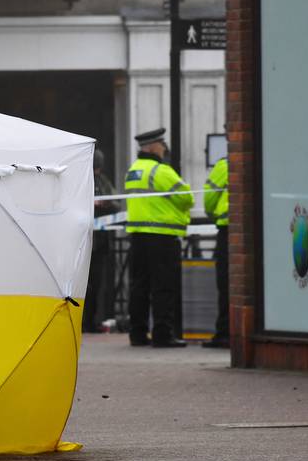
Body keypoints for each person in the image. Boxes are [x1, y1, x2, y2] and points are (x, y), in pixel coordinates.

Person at [124, 128, 194, 348]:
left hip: (138, 237)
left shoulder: (133, 170)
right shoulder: (161, 171)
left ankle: (137, 334)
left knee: (139, 287)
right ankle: (163, 335)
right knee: (163, 287)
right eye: (162, 145)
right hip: (162, 238)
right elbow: (187, 198)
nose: (164, 149)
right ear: (154, 146)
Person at [83, 149, 120, 333]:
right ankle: (84, 321)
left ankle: (91, 321)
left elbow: (115, 203)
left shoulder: (102, 181)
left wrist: (104, 204)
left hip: (100, 241)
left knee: (96, 283)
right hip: (82, 241)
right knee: (84, 284)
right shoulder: (80, 179)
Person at [202, 156, 229, 348]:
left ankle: (225, 333)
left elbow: (209, 197)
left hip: (228, 229)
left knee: (226, 283)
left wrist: (212, 214)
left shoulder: (225, 164)